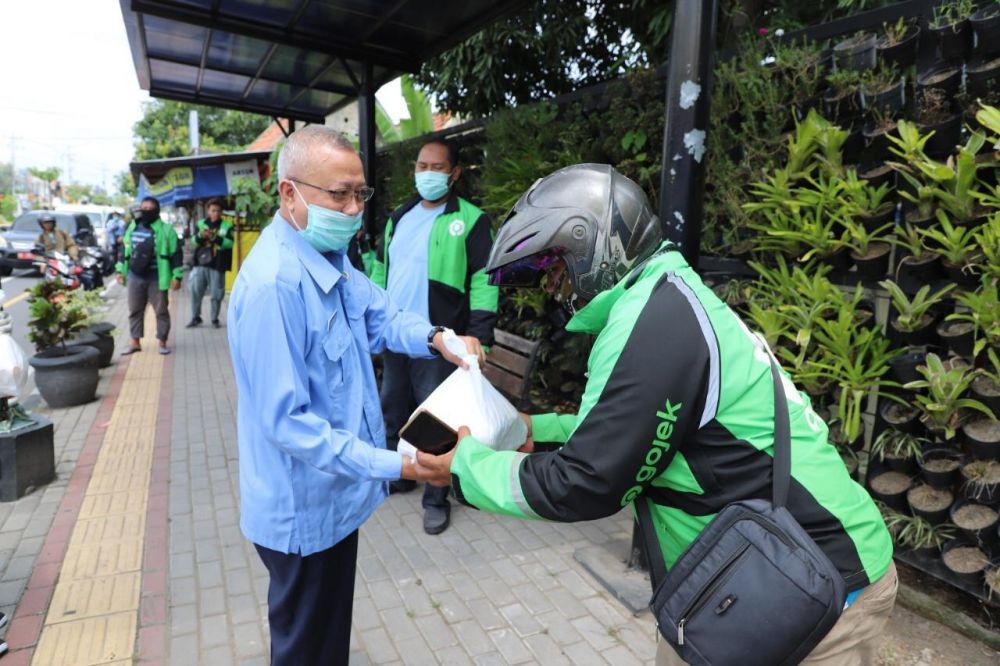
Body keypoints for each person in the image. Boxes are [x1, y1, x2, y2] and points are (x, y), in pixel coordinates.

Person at [416, 164, 897, 665]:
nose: (555, 290)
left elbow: (587, 481)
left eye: (557, 270)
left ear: (594, 246)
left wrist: (465, 465)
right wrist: (534, 429)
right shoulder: (660, 298)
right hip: (751, 569)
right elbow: (630, 430)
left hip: (815, 577)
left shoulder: (655, 321)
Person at [226, 125, 484, 666]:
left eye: (359, 194)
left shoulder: (330, 258)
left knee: (327, 644)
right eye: (337, 194)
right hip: (304, 512)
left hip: (336, 501)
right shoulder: (275, 285)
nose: (351, 209)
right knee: (306, 651)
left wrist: (439, 339)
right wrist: (402, 465)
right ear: (288, 193)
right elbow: (290, 424)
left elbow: (381, 314)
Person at [369, 139, 498, 535]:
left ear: (454, 173)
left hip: (440, 341)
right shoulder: (399, 216)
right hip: (396, 337)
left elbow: (484, 282)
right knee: (393, 411)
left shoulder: (472, 220)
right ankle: (401, 474)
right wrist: (370, 322)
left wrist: (479, 338)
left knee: (436, 423)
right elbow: (378, 269)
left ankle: (436, 498)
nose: (426, 173)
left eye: (436, 167)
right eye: (421, 165)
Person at [116, 197, 183, 355]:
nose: (145, 211)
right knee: (134, 310)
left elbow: (176, 255)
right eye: (143, 208)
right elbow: (124, 252)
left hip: (157, 276)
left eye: (149, 208)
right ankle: (135, 342)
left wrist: (177, 276)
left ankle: (162, 342)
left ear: (157, 210)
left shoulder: (167, 230)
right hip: (135, 276)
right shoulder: (132, 227)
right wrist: (120, 271)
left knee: (161, 311)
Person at [186, 197, 233, 329]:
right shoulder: (201, 224)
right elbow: (193, 241)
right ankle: (195, 317)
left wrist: (214, 237)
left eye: (218, 211)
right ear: (208, 211)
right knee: (195, 291)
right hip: (200, 263)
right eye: (213, 210)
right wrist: (202, 236)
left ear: (221, 212)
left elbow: (230, 243)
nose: (216, 213)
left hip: (218, 264)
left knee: (217, 293)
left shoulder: (227, 226)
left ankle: (214, 318)